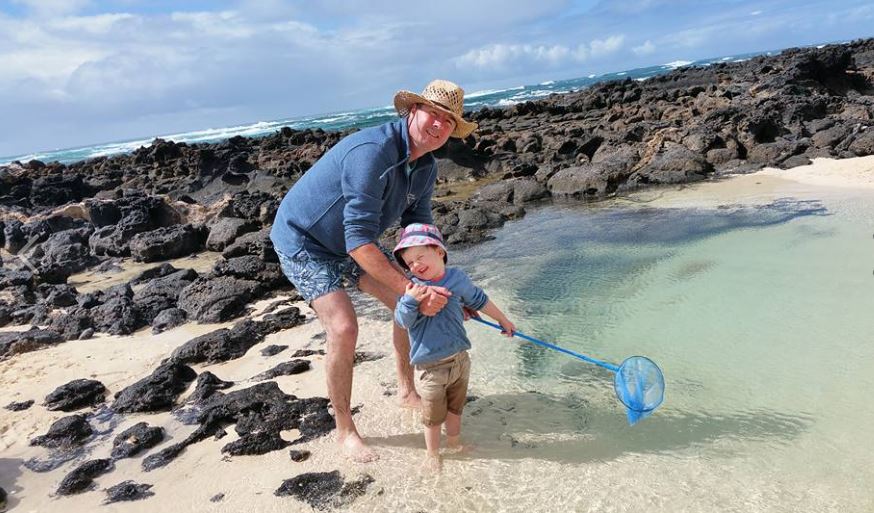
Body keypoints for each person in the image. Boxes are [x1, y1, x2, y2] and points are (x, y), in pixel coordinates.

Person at [270, 80, 478, 462]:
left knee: (406, 300)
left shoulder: (426, 167)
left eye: (449, 121)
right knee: (344, 327)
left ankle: (407, 389)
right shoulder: (373, 153)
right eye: (434, 113)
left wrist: (444, 288)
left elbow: (419, 230)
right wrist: (416, 291)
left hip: (351, 238)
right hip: (305, 239)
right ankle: (345, 429)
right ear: (412, 110)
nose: (439, 126)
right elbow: (359, 243)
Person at [393, 223, 515, 471]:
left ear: (439, 251)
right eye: (409, 263)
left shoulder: (457, 278)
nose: (414, 266)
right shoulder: (413, 289)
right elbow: (401, 322)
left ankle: (455, 442)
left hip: (460, 359)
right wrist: (410, 301)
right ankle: (432, 453)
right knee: (432, 416)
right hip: (431, 366)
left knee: (456, 407)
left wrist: (502, 319)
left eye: (419, 257)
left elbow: (479, 299)